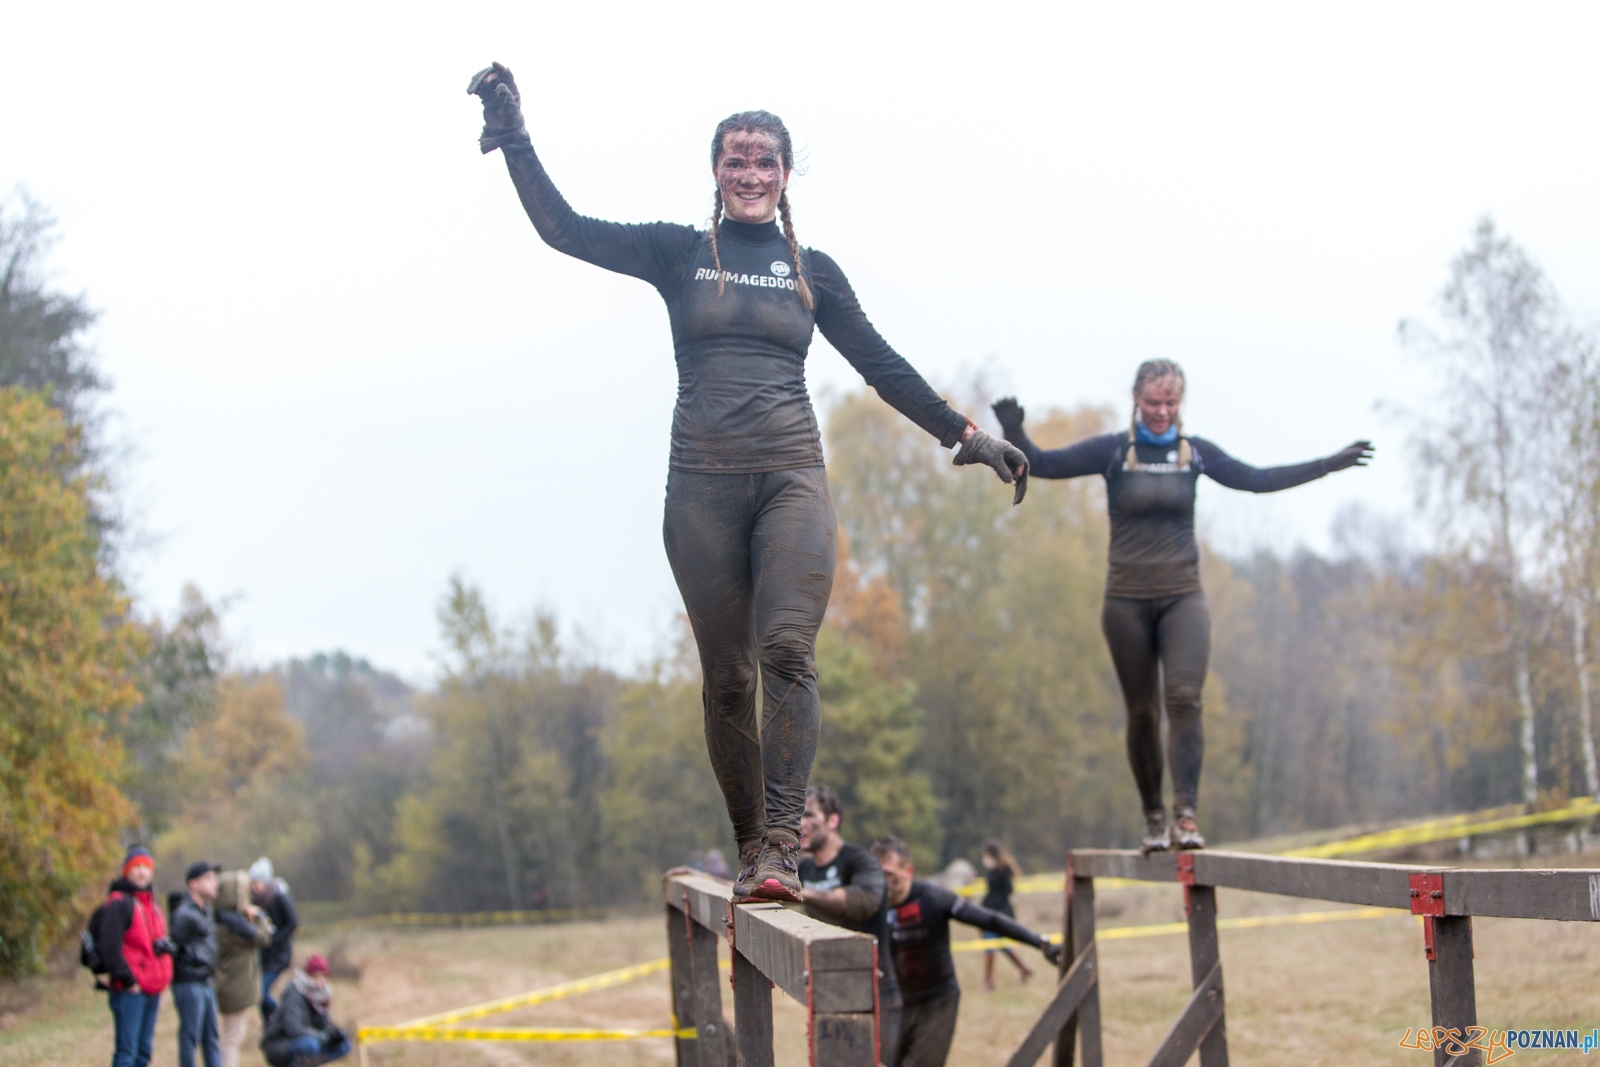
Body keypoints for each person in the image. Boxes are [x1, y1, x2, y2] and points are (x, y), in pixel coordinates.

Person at [467, 66, 1028, 903]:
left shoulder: (815, 273)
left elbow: (880, 365)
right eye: (737, 159)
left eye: (766, 160)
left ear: (786, 174)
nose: (752, 172)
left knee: (788, 652)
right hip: (700, 487)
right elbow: (564, 229)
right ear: (717, 172)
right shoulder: (681, 253)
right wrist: (513, 132)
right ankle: (750, 845)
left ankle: (781, 849)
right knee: (728, 676)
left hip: (790, 476)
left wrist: (970, 435)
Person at [994, 362, 1372, 851]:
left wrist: (1326, 464)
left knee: (1185, 699)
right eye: (1153, 403)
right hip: (1125, 602)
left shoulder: (1194, 454)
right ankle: (1154, 815)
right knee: (1144, 712)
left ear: (1181, 404)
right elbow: (1042, 463)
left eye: (1170, 404)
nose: (1161, 412)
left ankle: (1186, 816)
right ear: (1135, 399)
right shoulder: (1114, 451)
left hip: (1182, 596)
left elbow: (1257, 479)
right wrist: (1013, 430)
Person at [872, 836, 1060, 1067]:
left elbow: (989, 919)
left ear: (908, 870)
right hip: (896, 1003)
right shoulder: (871, 906)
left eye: (890, 874)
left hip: (937, 1001)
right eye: (878, 874)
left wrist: (1040, 942)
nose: (884, 881)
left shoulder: (933, 898)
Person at [797, 785, 902, 1063]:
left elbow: (864, 900)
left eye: (808, 814)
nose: (800, 824)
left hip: (875, 988)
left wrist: (802, 892)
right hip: (831, 987)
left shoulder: (859, 860)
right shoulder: (803, 869)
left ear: (833, 821)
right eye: (796, 815)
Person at [94, 846, 174, 1067]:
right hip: (131, 990)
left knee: (143, 1053)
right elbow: (110, 947)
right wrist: (129, 981)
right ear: (126, 871)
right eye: (136, 867)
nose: (141, 872)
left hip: (152, 988)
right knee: (127, 1054)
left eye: (146, 867)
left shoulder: (151, 901)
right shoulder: (119, 902)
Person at [214, 871, 274, 1067]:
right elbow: (262, 938)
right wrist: (260, 918)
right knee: (232, 1038)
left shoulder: (218, 919)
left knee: (227, 1036)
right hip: (236, 986)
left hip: (226, 982)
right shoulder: (237, 924)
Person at [170, 861, 223, 1067]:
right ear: (193, 884)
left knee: (211, 1038)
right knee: (190, 1036)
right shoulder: (184, 913)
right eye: (209, 878)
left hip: (206, 980)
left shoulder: (206, 911)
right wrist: (191, 964)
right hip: (189, 981)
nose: (215, 884)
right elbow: (174, 948)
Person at [259, 955, 351, 1067]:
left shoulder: (322, 996)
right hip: (279, 1045)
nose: (319, 981)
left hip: (306, 1041)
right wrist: (325, 1037)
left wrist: (336, 1035)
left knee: (344, 1046)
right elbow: (293, 1029)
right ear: (307, 975)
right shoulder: (293, 993)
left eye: (322, 977)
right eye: (315, 976)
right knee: (311, 1045)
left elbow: (324, 1025)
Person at [978, 839, 1032, 990]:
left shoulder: (1004, 869)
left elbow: (1008, 891)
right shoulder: (991, 870)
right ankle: (1024, 968)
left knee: (990, 945)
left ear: (991, 854)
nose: (984, 858)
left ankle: (988, 981)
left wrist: (996, 906)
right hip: (988, 911)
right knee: (1000, 945)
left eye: (986, 854)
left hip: (1000, 913)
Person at [250, 857, 298, 1023]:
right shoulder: (254, 902)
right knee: (261, 997)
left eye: (257, 883)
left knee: (260, 992)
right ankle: (269, 1028)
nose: (255, 887)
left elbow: (292, 922)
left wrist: (275, 940)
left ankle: (284, 1018)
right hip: (263, 957)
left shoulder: (280, 897)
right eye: (253, 883)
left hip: (279, 955)